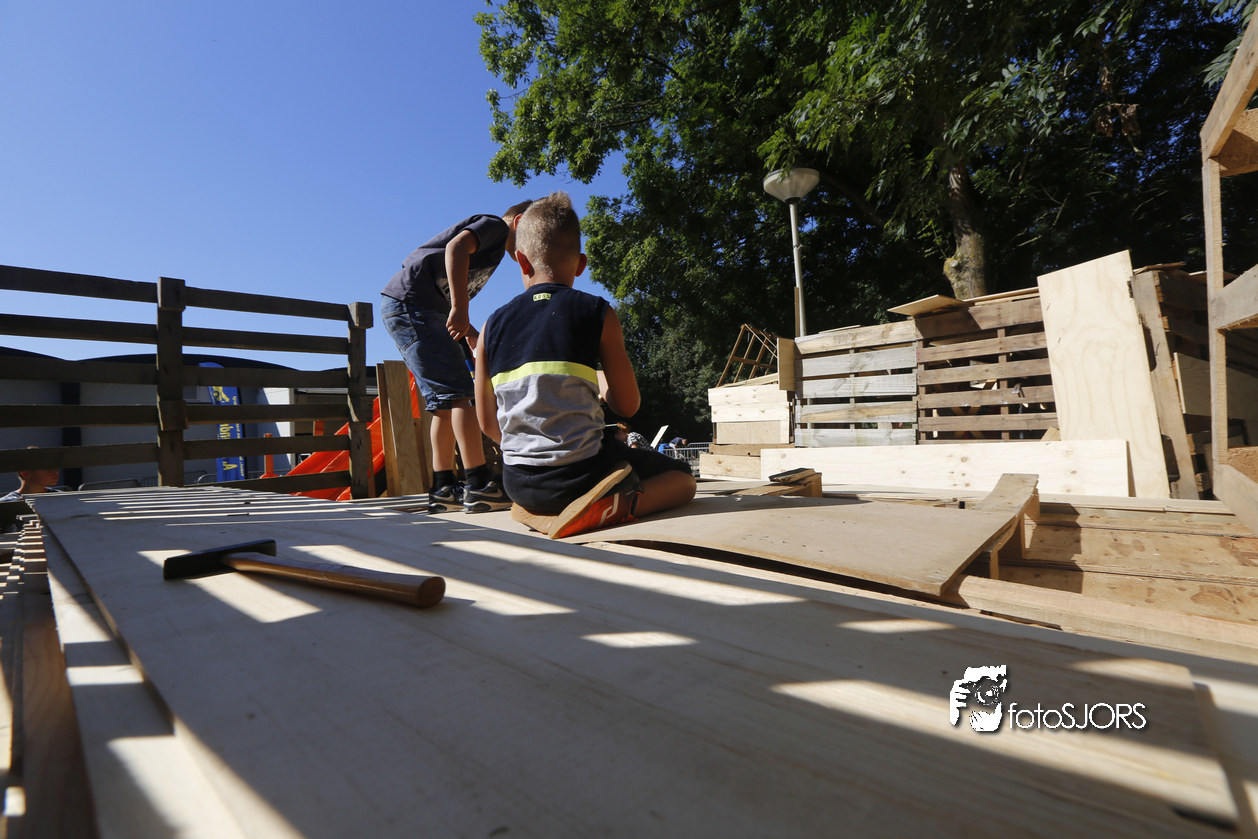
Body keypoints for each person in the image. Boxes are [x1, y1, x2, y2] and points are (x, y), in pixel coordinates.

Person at [474, 192, 696, 538]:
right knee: (683, 480)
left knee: (557, 475)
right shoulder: (597, 312)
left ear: (521, 260)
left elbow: (488, 423)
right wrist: (603, 383)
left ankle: (539, 509)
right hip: (582, 477)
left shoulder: (490, 326)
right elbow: (628, 406)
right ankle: (606, 509)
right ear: (580, 264)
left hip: (517, 483)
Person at [381, 200, 533, 513]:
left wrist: (470, 331)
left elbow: (447, 288)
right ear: (518, 222)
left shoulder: (494, 247)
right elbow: (456, 248)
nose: (529, 250)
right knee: (462, 393)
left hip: (414, 308)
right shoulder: (495, 226)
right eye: (531, 238)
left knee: (444, 400)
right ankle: (479, 484)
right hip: (416, 306)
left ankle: (444, 489)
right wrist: (461, 309)